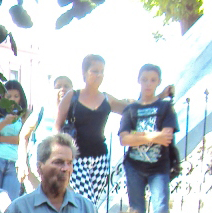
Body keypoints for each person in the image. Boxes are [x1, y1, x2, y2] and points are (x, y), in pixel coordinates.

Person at [55, 54, 171, 204]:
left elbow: (132, 108)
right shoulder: (72, 96)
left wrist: (160, 96)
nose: (99, 75)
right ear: (84, 72)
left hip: (100, 158)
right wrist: (60, 152)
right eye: (94, 71)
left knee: (93, 202)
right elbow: (57, 125)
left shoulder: (106, 99)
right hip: (76, 157)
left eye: (102, 71)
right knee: (87, 201)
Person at [119, 63, 178, 213]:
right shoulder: (131, 109)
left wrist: (138, 136)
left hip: (158, 166)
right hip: (135, 166)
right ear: (138, 80)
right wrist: (153, 135)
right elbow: (124, 139)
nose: (148, 84)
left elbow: (167, 137)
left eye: (153, 80)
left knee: (160, 208)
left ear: (158, 82)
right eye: (145, 79)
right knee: (136, 212)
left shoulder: (164, 107)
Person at [19, 75, 73, 193]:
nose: (62, 89)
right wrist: (22, 162)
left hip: (63, 171)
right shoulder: (42, 110)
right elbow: (24, 135)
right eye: (58, 86)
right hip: (36, 170)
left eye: (66, 86)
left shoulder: (75, 113)